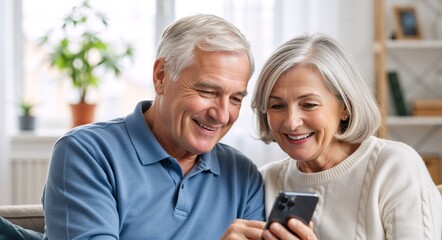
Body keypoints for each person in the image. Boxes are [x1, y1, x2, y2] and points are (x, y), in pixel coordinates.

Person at [41, 14, 314, 240]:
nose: (221, 115)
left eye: (235, 99)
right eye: (207, 91)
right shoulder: (86, 153)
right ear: (161, 77)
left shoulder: (242, 174)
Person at [251, 33, 442, 239]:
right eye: (277, 105)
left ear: (345, 107)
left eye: (309, 104)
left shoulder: (393, 166)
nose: (291, 121)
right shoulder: (264, 181)